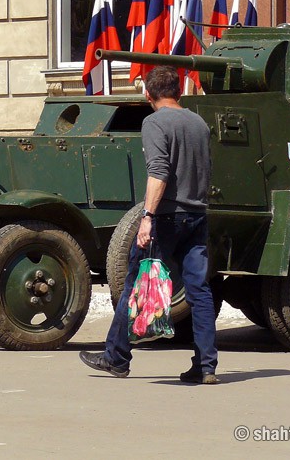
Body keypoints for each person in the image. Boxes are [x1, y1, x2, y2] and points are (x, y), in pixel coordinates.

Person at [80, 65, 219, 384]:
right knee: (198, 289)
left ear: (147, 94)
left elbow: (159, 172)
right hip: (197, 215)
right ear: (179, 91)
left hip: (166, 217)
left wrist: (147, 217)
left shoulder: (154, 122)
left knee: (136, 282)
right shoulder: (199, 123)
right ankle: (206, 365)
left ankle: (116, 358)